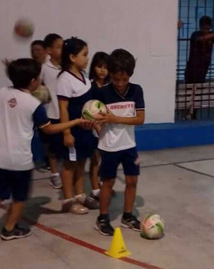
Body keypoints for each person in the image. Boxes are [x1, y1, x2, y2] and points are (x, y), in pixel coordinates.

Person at [0, 59, 89, 253]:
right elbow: (50, 129)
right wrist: (74, 122)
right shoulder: (34, 104)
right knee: (19, 198)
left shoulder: (2, 93)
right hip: (19, 161)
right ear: (33, 81)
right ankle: (9, 230)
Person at [93, 49, 145, 236]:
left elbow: (140, 119)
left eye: (125, 79)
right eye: (116, 79)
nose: (121, 84)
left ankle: (128, 216)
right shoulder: (102, 93)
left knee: (132, 180)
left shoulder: (136, 90)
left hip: (129, 145)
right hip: (109, 146)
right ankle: (102, 218)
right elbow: (93, 117)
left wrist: (115, 119)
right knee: (108, 182)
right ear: (110, 74)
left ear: (130, 75)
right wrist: (96, 125)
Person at [57, 37, 99, 214]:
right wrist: (66, 132)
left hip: (86, 130)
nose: (87, 58)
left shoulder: (84, 76)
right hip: (73, 129)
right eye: (84, 55)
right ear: (73, 57)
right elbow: (63, 108)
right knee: (69, 164)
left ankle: (80, 194)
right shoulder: (65, 78)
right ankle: (68, 199)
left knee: (82, 161)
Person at [39, 33, 64, 188]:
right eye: (58, 47)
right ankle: (55, 174)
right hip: (51, 113)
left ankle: (69, 173)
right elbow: (35, 85)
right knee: (53, 148)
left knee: (68, 146)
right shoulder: (44, 68)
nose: (62, 50)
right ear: (49, 50)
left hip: (66, 113)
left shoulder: (67, 67)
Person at [88, 52, 110, 200]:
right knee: (95, 158)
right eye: (99, 66)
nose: (102, 70)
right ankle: (95, 188)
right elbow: (88, 108)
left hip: (108, 127)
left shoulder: (111, 86)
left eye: (106, 67)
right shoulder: (89, 86)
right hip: (94, 127)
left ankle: (104, 184)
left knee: (106, 158)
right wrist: (95, 125)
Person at [185, 16, 214, 84]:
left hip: (204, 66)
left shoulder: (211, 35)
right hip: (193, 67)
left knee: (200, 86)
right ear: (200, 27)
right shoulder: (195, 34)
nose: (206, 31)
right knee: (190, 87)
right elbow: (202, 39)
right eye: (205, 29)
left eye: (208, 29)